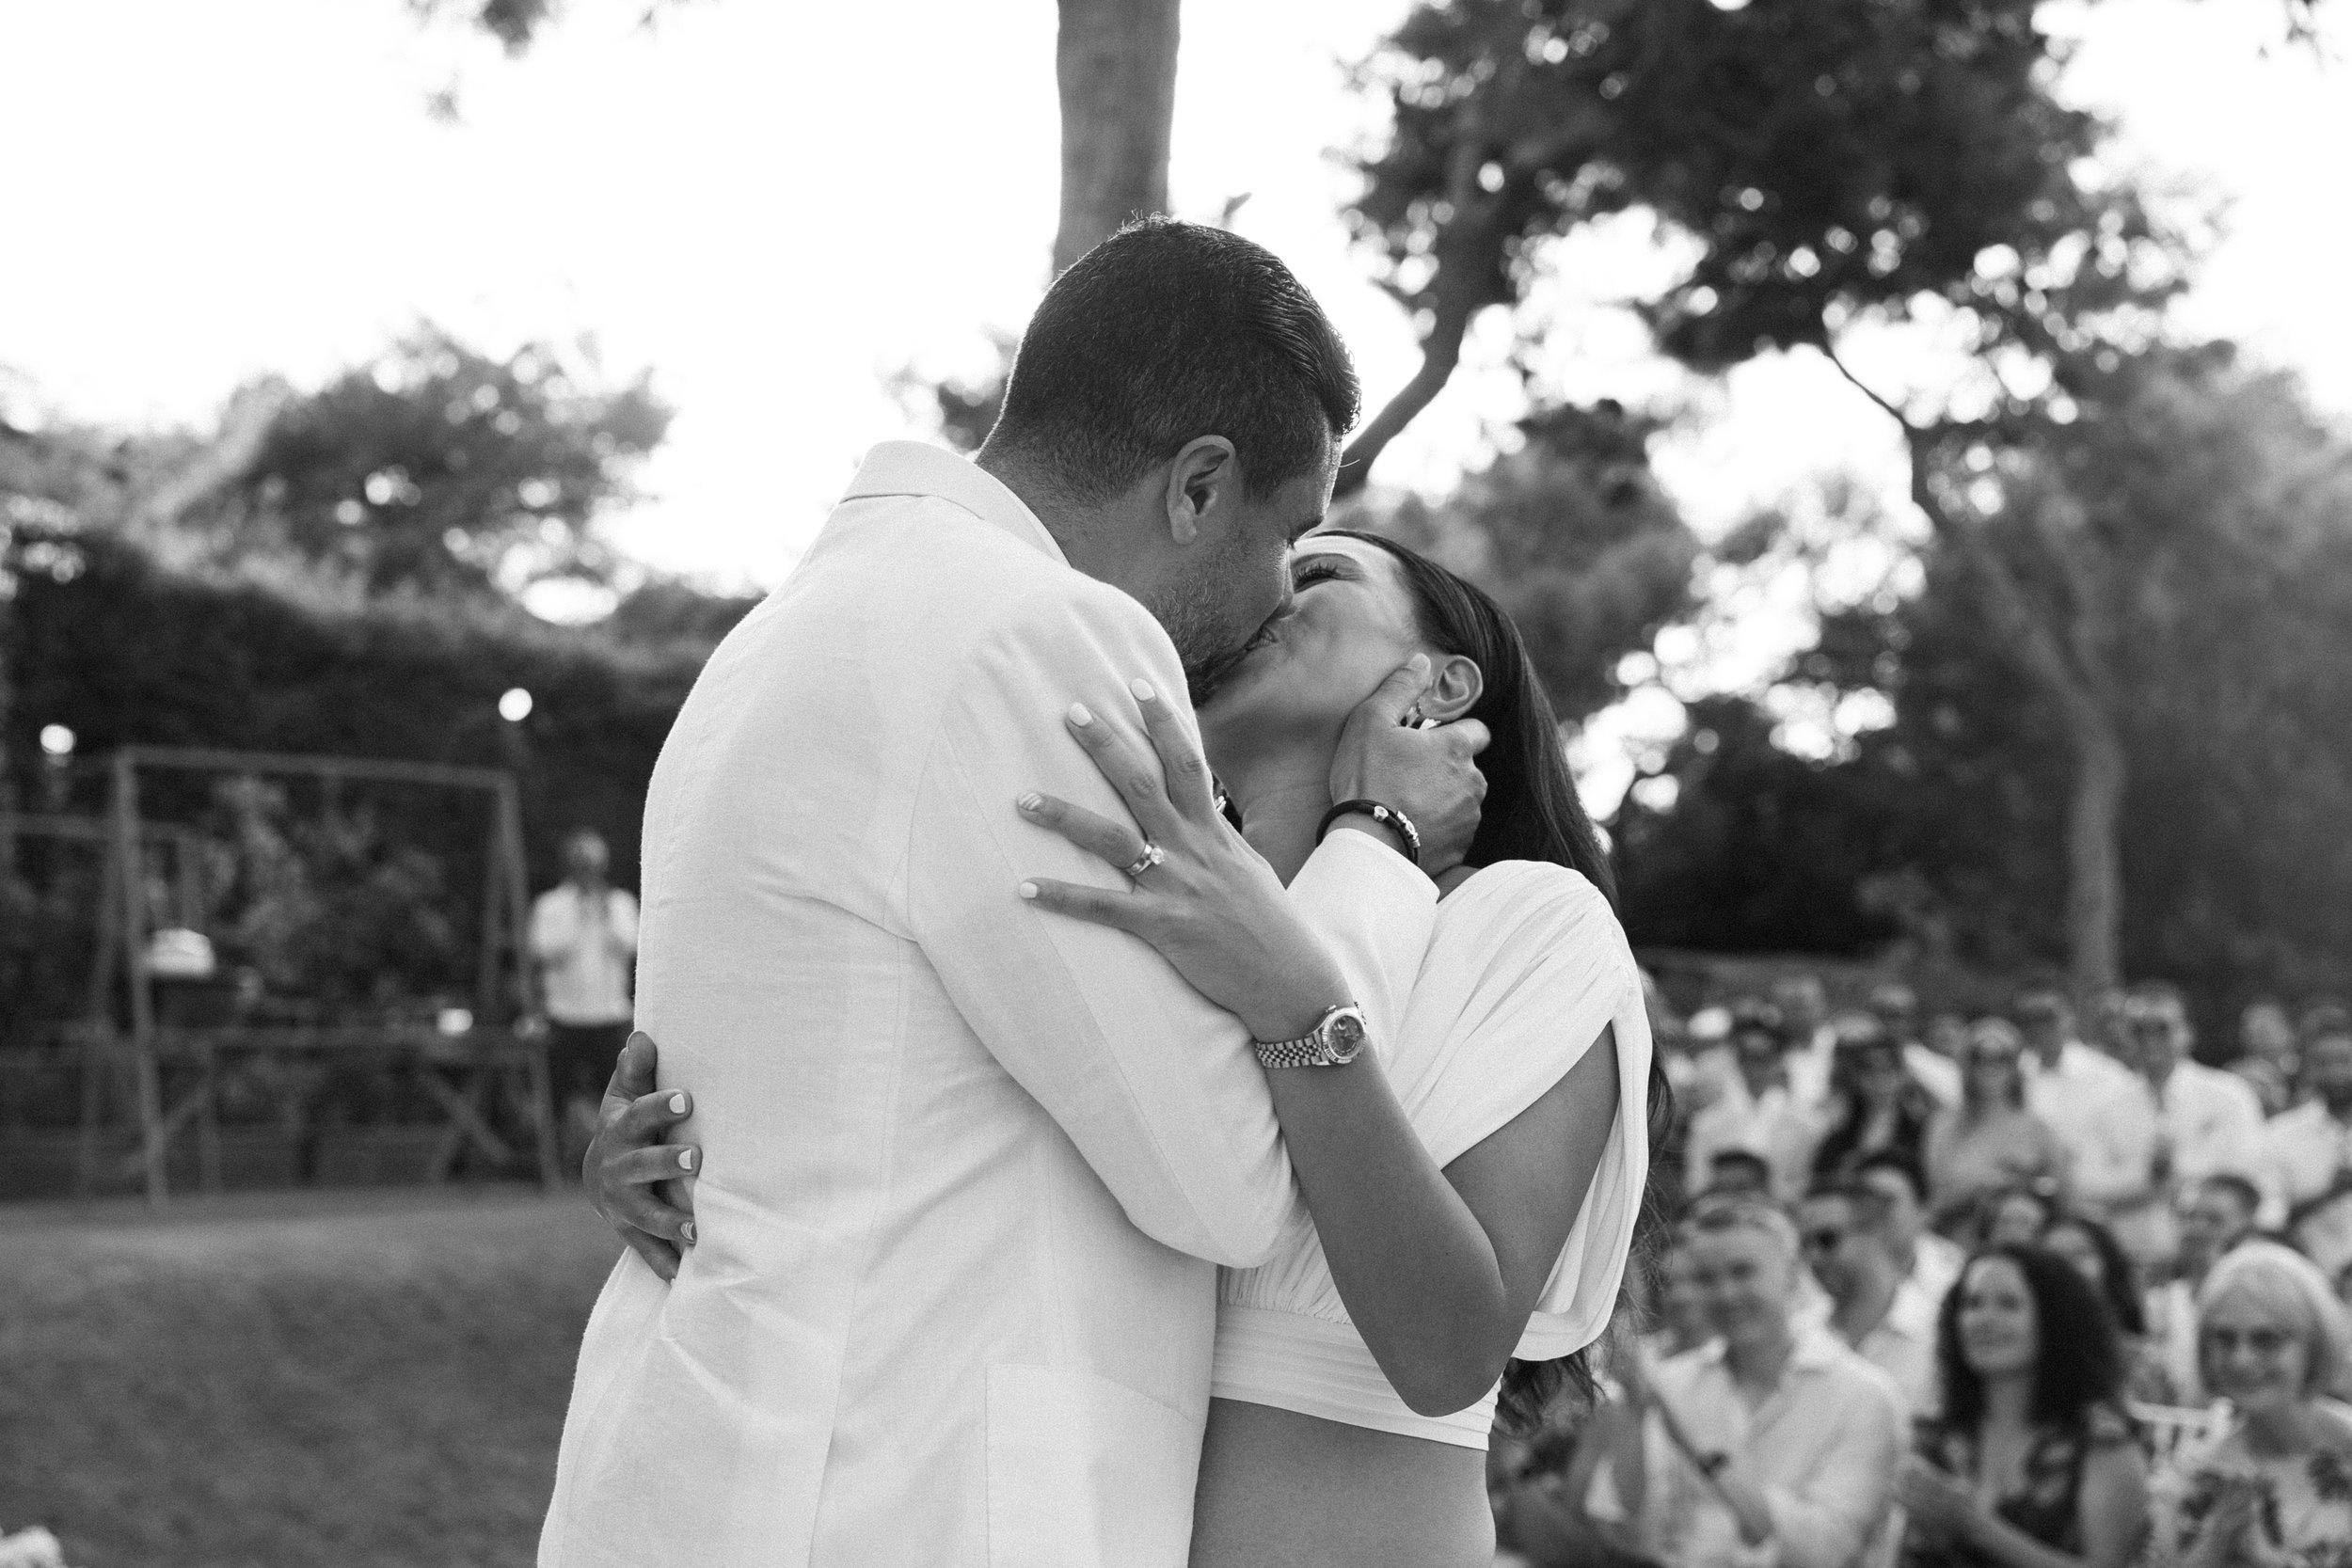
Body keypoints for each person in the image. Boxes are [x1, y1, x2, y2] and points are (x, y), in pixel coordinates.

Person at [537, 220, 1505, 1568]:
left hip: (723, 1466)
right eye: (1296, 531)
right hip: (894, 1500)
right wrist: (1375, 845)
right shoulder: (1043, 631)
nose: (1285, 585)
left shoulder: (776, 637)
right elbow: (1227, 1184)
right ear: (1198, 486)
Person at [577, 523, 1665, 1560]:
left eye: (1317, 569)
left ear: (1442, 684)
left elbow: (1445, 1348)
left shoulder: (1529, 922)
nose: (1269, 585)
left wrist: (1300, 1006)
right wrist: (680, 1155)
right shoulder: (1129, 935)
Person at [1565, 1196, 1906, 1568]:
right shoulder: (1673, 1381)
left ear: (1793, 1273)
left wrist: (1703, 1452)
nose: (1726, 1294)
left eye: (1743, 1272)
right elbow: (1626, 1533)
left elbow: (1824, 1551)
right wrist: (1634, 1409)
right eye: (1706, 1279)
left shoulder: (1866, 1395)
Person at [1896, 1245, 2150, 1568]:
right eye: (1972, 1303)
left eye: (2009, 1304)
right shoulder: (1938, 1432)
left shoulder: (2103, 1443)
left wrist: (1977, 1528)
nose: (1985, 1320)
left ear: (2055, 1319)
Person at [2149, 1243, 2352, 1567]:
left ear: (2315, 1346)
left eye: (2267, 1339)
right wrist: (2213, 1548)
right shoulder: (2196, 1476)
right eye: (2224, 1339)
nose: (2241, 1359)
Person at [2109, 982, 2265, 1269]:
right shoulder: (2106, 1101)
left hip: (2214, 1258)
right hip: (2129, 1260)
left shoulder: (2229, 1095)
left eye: (2162, 1028)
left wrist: (2173, 1176)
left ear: (2187, 1032)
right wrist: (2148, 1180)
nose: (2150, 1039)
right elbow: (2085, 1183)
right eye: (2139, 1029)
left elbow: (2245, 1176)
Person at [528, 828, 641, 1156]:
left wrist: (603, 912)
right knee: (554, 1094)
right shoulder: (551, 905)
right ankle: (553, 1162)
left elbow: (630, 942)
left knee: (622, 1093)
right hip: (564, 1014)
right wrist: (577, 913)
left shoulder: (620, 902)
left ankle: (622, 1157)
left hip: (610, 1013)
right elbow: (544, 949)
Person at [2014, 984, 2159, 1223]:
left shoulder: (2110, 1077)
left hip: (2098, 1209)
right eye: (2029, 1019)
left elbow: (2136, 1158)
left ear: (2068, 1017)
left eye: (2047, 1017)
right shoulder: (2015, 1075)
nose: (2039, 1028)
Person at [1796, 1180, 1942, 1416]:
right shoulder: (1800, 1334)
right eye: (1804, 1244)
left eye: (1826, 1239)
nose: (1813, 1257)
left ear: (1877, 1231)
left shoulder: (1936, 1332)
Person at [1928, 1020, 2071, 1231]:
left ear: (2014, 1066)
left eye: (2001, 1059)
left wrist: (2025, 1184)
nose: (1990, 1068)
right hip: (1958, 1234)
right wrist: (1980, 1185)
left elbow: (2063, 1195)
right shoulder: (1943, 1125)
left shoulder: (2038, 1129)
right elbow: (1932, 1199)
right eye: (1980, 1059)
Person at [1683, 1002, 1824, 1202]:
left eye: (1764, 1057)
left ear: (1779, 1059)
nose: (1754, 1067)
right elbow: (1696, 1186)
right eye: (1746, 1057)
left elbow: (1805, 1185)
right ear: (1737, 1060)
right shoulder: (1706, 1123)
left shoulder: (1808, 1123)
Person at [2147, 1174, 2262, 1407]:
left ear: (2248, 1225)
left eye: (2214, 1220)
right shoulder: (2161, 1297)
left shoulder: (2263, 1301)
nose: (2196, 1229)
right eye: (2189, 1217)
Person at [2257, 1008, 2352, 1275]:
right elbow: (2267, 1221)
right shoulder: (2279, 1135)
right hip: (2309, 1282)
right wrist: (2327, 1194)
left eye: (2345, 1060)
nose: (2335, 1072)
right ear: (2306, 1066)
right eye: (2322, 1062)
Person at [2041, 1212, 2161, 1401]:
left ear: (2108, 1264)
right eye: (2053, 1257)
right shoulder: (2022, 1357)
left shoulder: (2141, 1361)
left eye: (2080, 1253)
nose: (2066, 1265)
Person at [1811, 1015, 1941, 1190]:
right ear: (1857, 1078)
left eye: (1888, 1071)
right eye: (1870, 1072)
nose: (1880, 1081)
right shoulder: (1840, 1129)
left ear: (1903, 1075)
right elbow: (1820, 1178)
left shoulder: (1922, 1128)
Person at [1857, 1148, 1968, 1305]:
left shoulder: (1958, 1274)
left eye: (1888, 1202)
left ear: (1924, 1212)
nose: (1877, 1213)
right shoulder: (1824, 1265)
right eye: (1867, 1202)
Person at [1874, 980, 1963, 1109]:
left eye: (1900, 1015)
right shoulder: (1855, 1061)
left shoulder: (1941, 1067)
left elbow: (1952, 1107)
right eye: (1884, 1013)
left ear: (1913, 1018)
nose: (1894, 1022)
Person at [2231, 999, 2299, 1117]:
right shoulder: (2236, 1076)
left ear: (2289, 1030)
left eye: (2264, 1031)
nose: (2258, 1039)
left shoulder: (2309, 1069)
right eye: (2251, 1032)